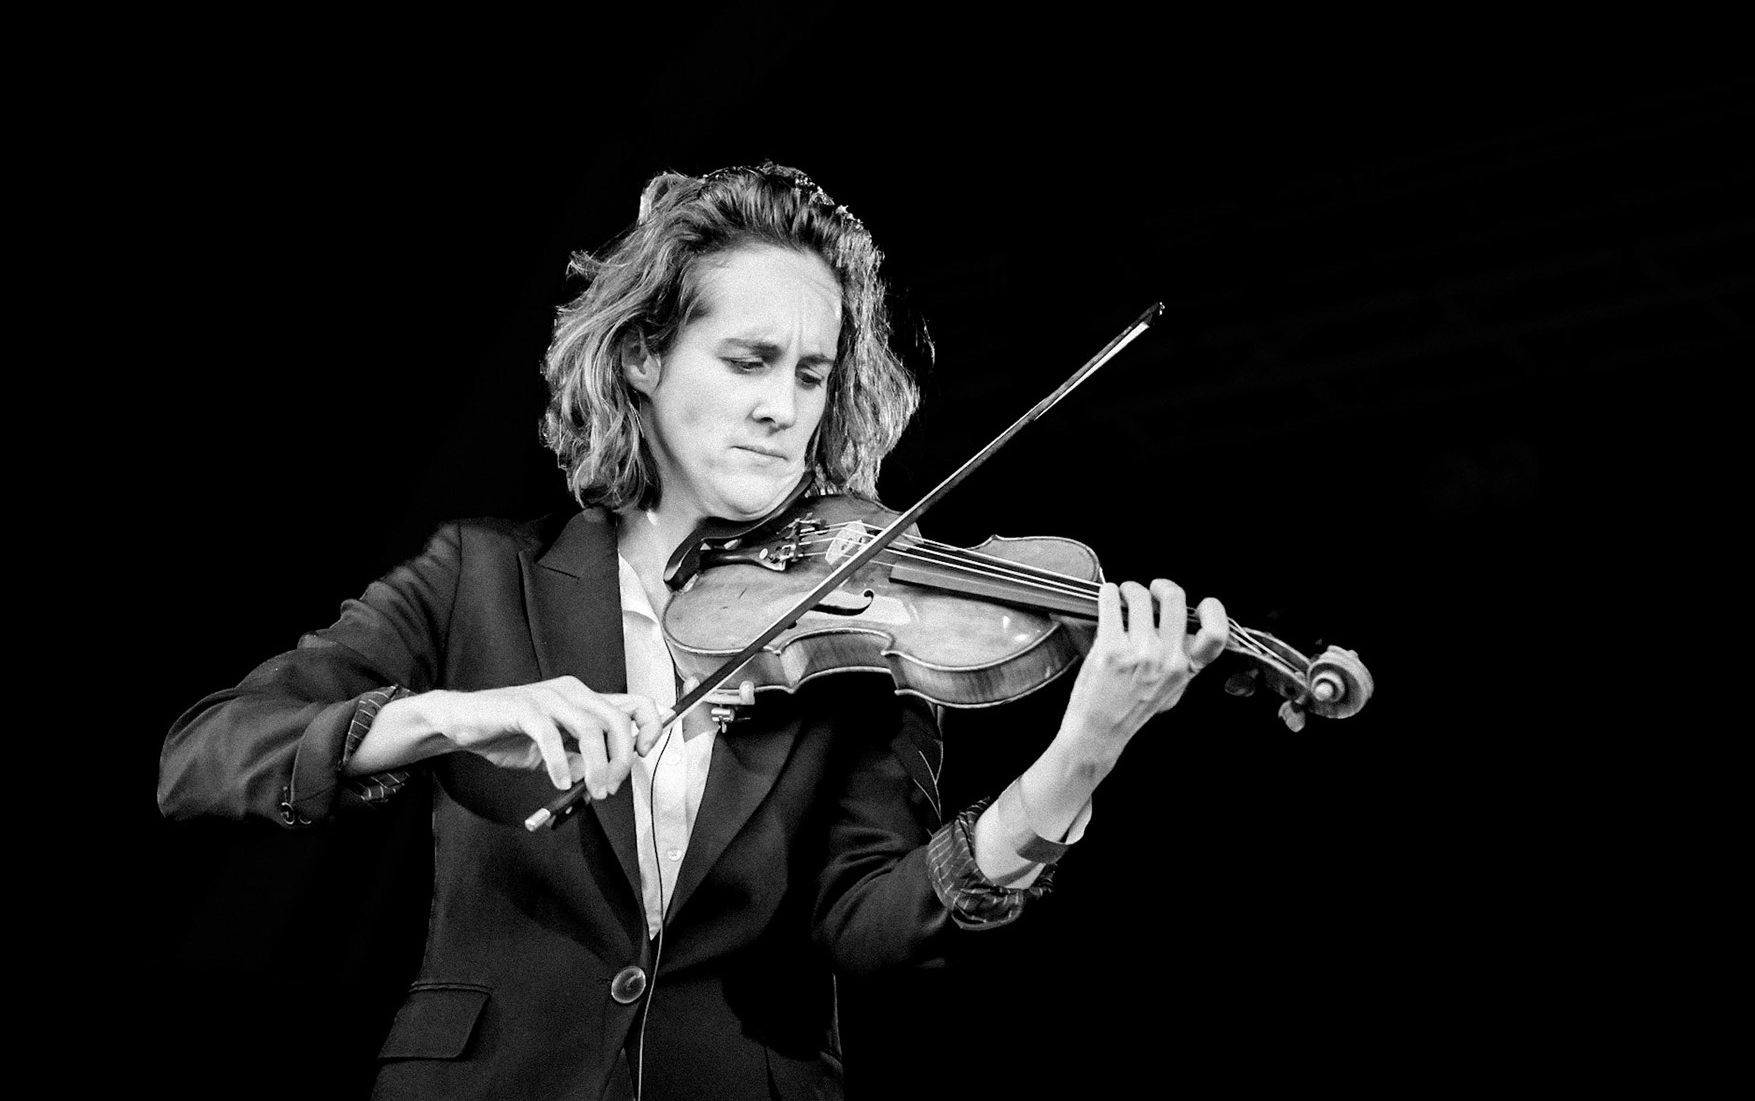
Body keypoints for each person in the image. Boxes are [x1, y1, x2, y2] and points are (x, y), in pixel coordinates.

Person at [158, 161, 1244, 1100]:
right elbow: (203, 755)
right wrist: (450, 716)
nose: (785, 407)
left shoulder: (860, 619)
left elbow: (873, 924)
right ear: (644, 355)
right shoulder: (481, 578)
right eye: (748, 360)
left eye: (812, 374)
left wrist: (1080, 754)